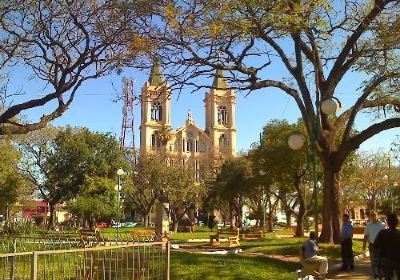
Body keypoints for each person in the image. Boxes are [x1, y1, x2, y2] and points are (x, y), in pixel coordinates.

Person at [374, 213, 400, 280]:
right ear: (397, 222)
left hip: (385, 259)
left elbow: (376, 246)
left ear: (387, 222)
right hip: (397, 260)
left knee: (388, 278)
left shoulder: (382, 233)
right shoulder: (398, 234)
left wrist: (377, 260)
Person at [363, 210, 386, 279]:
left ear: (377, 216)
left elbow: (385, 236)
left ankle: (381, 275)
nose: (373, 217)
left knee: (380, 261)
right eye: (371, 215)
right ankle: (375, 274)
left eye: (374, 215)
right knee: (373, 262)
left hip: (380, 247)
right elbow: (366, 236)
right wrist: (364, 245)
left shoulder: (382, 225)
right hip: (372, 246)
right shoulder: (368, 225)